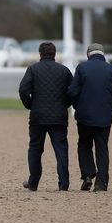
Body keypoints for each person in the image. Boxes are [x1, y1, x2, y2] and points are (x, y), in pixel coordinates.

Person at [68, 43, 112, 192]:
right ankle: (101, 183)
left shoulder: (82, 68)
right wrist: (111, 108)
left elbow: (72, 92)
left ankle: (87, 175)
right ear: (103, 54)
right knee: (102, 148)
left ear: (88, 54)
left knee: (84, 144)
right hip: (104, 117)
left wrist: (77, 106)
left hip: (84, 116)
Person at [18, 41, 72, 191]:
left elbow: (23, 90)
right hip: (59, 117)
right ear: (54, 54)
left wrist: (30, 105)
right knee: (61, 149)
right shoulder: (64, 71)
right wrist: (64, 104)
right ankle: (64, 184)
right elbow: (73, 92)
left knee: (35, 149)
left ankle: (33, 183)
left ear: (40, 54)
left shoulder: (33, 69)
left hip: (38, 116)